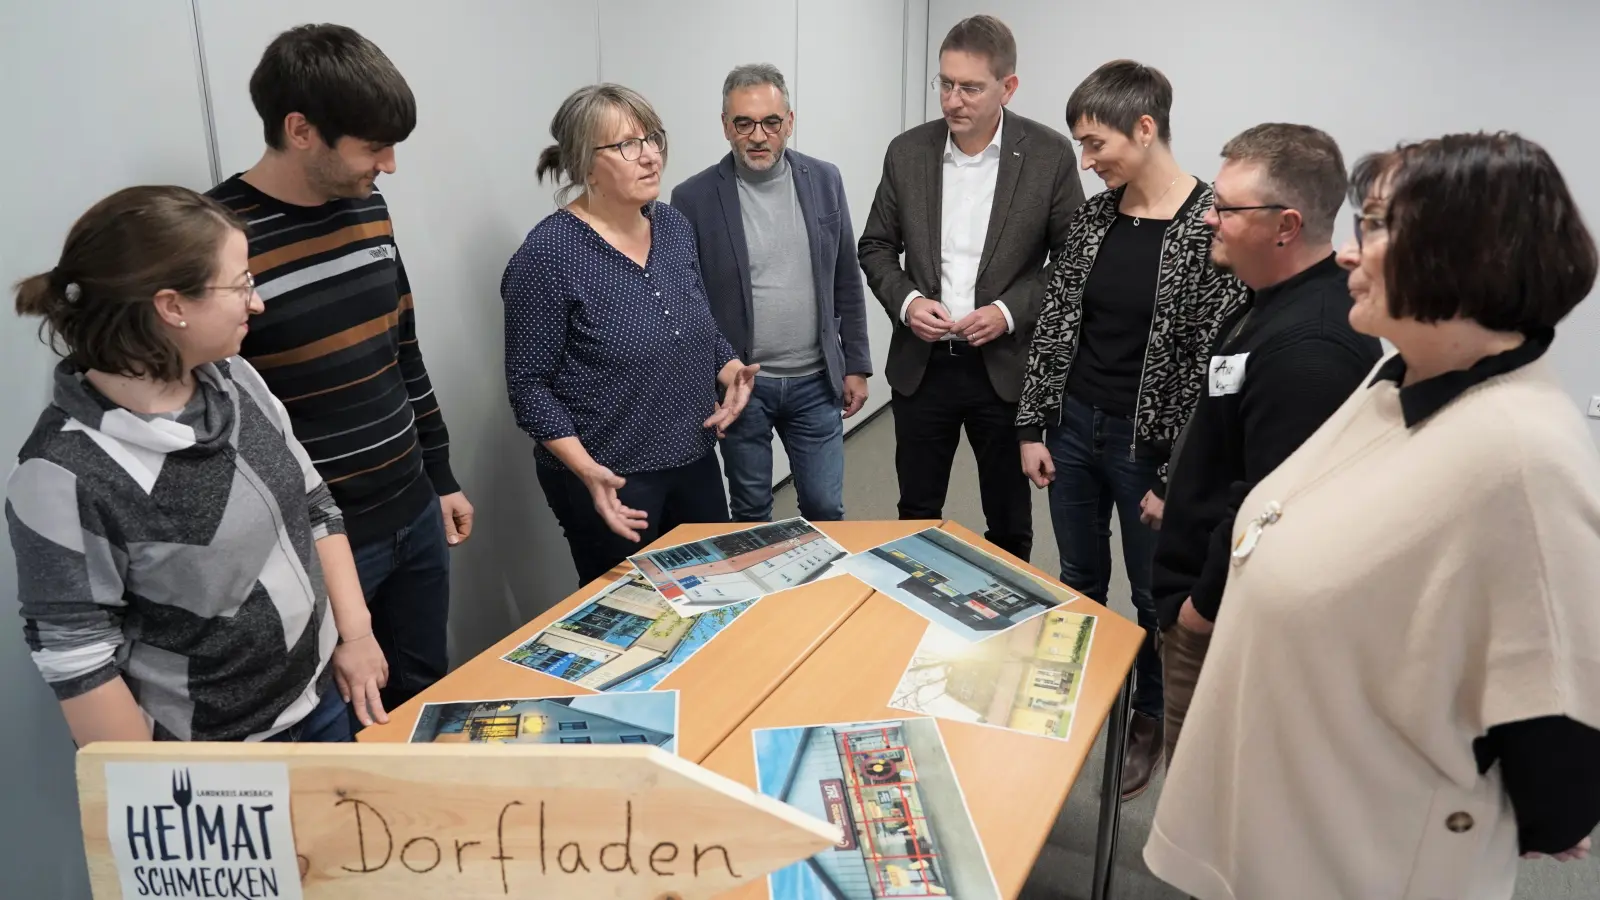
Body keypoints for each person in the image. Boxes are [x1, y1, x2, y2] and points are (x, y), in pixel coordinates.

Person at [1146, 132, 1600, 900]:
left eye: (1379, 226)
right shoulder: (1399, 378)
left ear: (1468, 256)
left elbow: (1557, 749)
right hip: (1290, 817)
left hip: (1365, 858)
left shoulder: (1524, 457)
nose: (1350, 254)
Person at [5, 185, 390, 744]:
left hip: (321, 699)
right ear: (172, 306)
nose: (256, 303)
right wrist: (158, 797)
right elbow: (78, 656)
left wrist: (354, 636)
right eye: (241, 286)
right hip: (219, 762)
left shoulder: (235, 380)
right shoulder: (62, 472)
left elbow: (313, 503)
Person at [207, 24, 471, 717]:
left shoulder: (367, 207)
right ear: (300, 129)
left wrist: (439, 474)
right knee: (341, 730)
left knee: (425, 702)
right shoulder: (218, 244)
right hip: (316, 547)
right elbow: (224, 422)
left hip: (413, 510)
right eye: (372, 146)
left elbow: (402, 344)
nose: (388, 165)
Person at [1014, 59, 1245, 800]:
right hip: (1074, 430)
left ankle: (1148, 716)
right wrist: (1033, 424)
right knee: (1079, 577)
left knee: (1153, 596)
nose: (1086, 161)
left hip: (1150, 450)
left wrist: (1177, 478)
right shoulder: (1093, 216)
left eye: (1095, 143)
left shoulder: (1210, 225)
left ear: (1145, 128)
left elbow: (1213, 366)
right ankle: (1082, 699)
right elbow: (1054, 325)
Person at [1152, 124, 1382, 767]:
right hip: (1208, 595)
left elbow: (1276, 510)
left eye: (1226, 207)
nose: (1207, 218)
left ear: (1285, 225)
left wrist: (1200, 612)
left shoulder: (1312, 348)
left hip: (1226, 626)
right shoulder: (1267, 301)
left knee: (1215, 808)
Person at [503, 84, 760, 586]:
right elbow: (529, 388)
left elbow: (695, 323)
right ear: (585, 163)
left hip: (694, 456)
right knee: (638, 618)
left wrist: (728, 368)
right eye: (626, 145)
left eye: (652, 139)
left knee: (718, 592)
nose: (649, 156)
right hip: (611, 478)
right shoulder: (548, 255)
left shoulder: (672, 226)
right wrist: (585, 470)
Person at [859, 15, 1083, 562]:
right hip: (923, 366)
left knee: (1008, 520)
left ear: (1008, 87)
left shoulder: (1050, 156)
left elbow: (1074, 261)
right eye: (944, 83)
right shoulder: (907, 152)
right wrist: (909, 302)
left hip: (1003, 368)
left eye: (970, 87)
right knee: (916, 513)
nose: (952, 100)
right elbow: (875, 247)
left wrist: (1008, 311)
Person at [671, 63, 872, 523]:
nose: (758, 135)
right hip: (743, 387)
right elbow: (689, 300)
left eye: (770, 122)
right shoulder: (693, 198)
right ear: (726, 126)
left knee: (824, 506)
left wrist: (856, 364)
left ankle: (818, 595)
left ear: (789, 122)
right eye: (744, 122)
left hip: (816, 381)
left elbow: (845, 275)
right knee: (750, 510)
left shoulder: (824, 180)